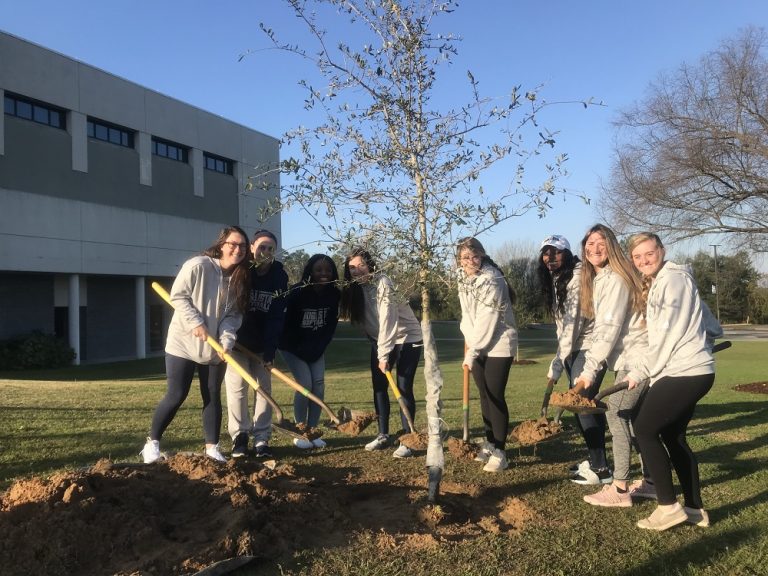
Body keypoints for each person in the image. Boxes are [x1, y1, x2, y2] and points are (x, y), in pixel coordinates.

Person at [625, 232, 719, 531]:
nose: (643, 260)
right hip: (690, 368)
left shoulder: (673, 280)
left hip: (685, 371)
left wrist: (642, 373)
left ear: (661, 250)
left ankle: (668, 507)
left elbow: (666, 336)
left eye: (648, 253)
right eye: (637, 257)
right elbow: (708, 321)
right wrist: (709, 335)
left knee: (643, 428)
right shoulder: (668, 279)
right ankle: (694, 509)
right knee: (673, 436)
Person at [140, 226, 250, 463]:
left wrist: (227, 341)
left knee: (212, 395)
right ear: (222, 245)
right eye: (233, 243)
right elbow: (178, 296)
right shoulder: (198, 265)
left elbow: (233, 315)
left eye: (242, 246)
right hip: (183, 343)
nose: (237, 249)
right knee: (176, 394)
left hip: (214, 349)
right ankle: (152, 444)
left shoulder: (240, 278)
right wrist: (195, 322)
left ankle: (212, 448)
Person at [572, 224, 652, 503]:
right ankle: (651, 481)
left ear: (612, 247)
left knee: (615, 413)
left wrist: (588, 373)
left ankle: (619, 489)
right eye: (590, 243)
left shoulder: (614, 279)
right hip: (627, 359)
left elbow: (607, 330)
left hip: (638, 359)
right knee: (634, 421)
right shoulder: (601, 278)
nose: (594, 248)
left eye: (601, 243)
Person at [340, 247, 423, 459]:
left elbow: (388, 321)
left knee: (403, 387)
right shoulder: (354, 289)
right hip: (382, 340)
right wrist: (377, 344)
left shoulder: (383, 283)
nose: (357, 271)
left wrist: (383, 355)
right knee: (379, 387)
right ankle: (383, 434)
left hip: (407, 338)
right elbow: (367, 322)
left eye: (361, 266)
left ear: (371, 265)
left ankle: (408, 438)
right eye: (352, 268)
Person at [536, 234, 604, 481]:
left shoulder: (576, 278)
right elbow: (563, 327)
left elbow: (572, 326)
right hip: (574, 349)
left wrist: (556, 362)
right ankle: (596, 460)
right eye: (546, 253)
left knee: (582, 406)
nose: (550, 257)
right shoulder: (557, 278)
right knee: (583, 408)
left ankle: (600, 469)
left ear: (567, 254)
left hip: (588, 347)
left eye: (556, 252)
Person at [225, 229, 288, 458]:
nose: (266, 252)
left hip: (263, 345)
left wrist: (270, 350)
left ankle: (261, 439)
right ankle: (239, 437)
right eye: (262, 247)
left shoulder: (279, 276)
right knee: (238, 389)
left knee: (263, 390)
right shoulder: (242, 271)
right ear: (252, 248)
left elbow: (277, 316)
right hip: (238, 343)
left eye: (270, 248)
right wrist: (228, 338)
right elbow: (229, 308)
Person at [456, 237, 518, 473]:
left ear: (482, 255)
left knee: (494, 395)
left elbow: (487, 320)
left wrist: (472, 351)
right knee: (484, 395)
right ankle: (490, 442)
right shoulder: (463, 278)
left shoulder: (492, 279)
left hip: (499, 344)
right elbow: (467, 315)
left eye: (474, 256)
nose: (470, 261)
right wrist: (469, 339)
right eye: (465, 257)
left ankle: (501, 451)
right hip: (477, 342)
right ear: (458, 260)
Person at [278, 254, 340, 450]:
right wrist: (301, 348)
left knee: (319, 386)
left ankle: (312, 431)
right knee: (304, 385)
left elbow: (330, 325)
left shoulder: (334, 294)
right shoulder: (297, 292)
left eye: (328, 270)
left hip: (316, 348)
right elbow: (285, 326)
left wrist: (318, 347)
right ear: (310, 271)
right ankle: (300, 431)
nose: (324, 273)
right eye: (319, 270)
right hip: (292, 347)